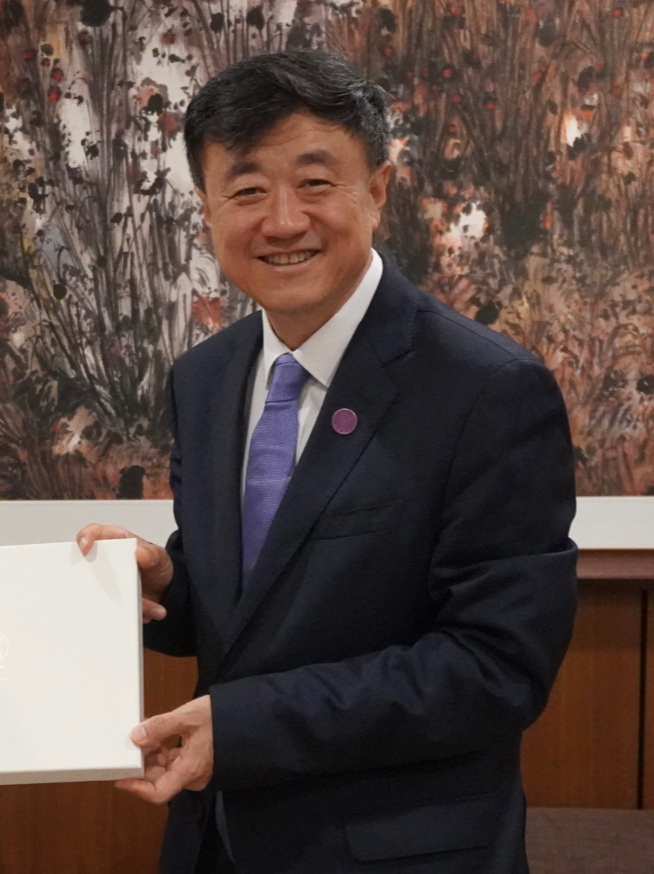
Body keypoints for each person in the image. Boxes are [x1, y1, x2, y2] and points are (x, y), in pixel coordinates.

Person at [77, 51, 577, 873]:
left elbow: (495, 666)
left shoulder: (485, 388)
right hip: (215, 845)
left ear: (377, 190)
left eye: (314, 183)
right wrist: (168, 584)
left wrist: (244, 727)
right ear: (205, 210)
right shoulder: (204, 379)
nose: (281, 221)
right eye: (245, 190)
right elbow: (257, 605)